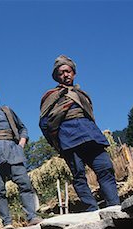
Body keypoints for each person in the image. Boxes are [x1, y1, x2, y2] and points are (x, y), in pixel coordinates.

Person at [39, 55, 120, 211]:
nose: (65, 75)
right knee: (79, 175)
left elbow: (90, 115)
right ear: (56, 77)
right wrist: (57, 145)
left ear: (74, 73)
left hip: (91, 136)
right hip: (69, 139)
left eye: (68, 71)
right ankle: (91, 209)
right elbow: (45, 123)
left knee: (105, 168)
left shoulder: (82, 95)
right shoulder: (50, 96)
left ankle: (114, 206)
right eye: (61, 73)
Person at [0, 81, 42, 229]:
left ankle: (32, 217)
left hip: (13, 153)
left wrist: (21, 145)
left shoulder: (7, 111)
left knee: (25, 185)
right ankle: (7, 222)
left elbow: (23, 128)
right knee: (0, 191)